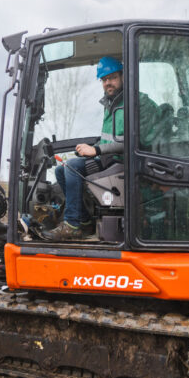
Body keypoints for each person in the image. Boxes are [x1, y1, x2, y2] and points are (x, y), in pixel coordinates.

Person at [42, 56, 157, 241]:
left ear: (123, 76)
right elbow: (108, 139)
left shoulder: (138, 104)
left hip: (125, 162)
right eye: (104, 80)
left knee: (72, 167)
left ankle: (72, 225)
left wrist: (96, 151)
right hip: (108, 158)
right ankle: (85, 222)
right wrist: (92, 148)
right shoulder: (111, 103)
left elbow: (136, 143)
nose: (107, 83)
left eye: (112, 78)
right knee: (62, 170)